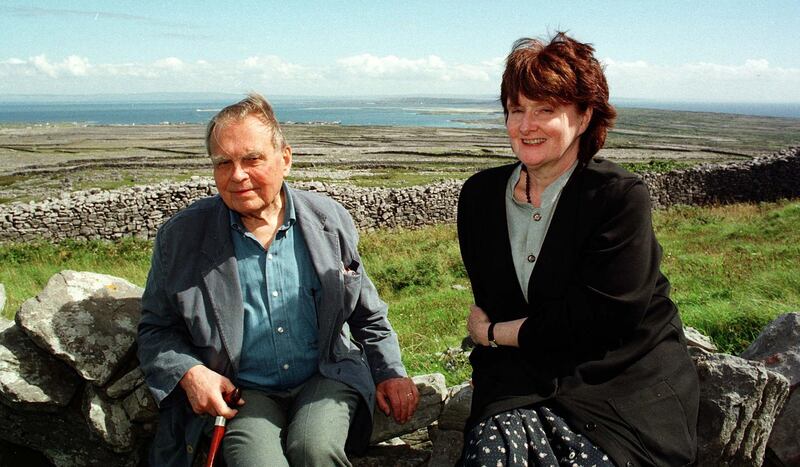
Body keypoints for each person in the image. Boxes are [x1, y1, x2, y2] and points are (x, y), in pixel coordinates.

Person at [137, 93, 419, 467]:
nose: (237, 175)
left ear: (285, 158)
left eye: (252, 159)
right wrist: (190, 372)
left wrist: (390, 372)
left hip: (326, 372)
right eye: (224, 163)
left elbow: (366, 312)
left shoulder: (328, 221)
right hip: (242, 388)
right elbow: (156, 328)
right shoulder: (182, 238)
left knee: (314, 449)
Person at [458, 32, 699, 467]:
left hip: (620, 384)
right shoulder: (478, 197)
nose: (525, 125)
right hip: (522, 376)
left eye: (545, 110)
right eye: (516, 110)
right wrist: (509, 336)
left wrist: (493, 335)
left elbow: (605, 321)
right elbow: (497, 299)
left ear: (585, 117)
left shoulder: (616, 197)